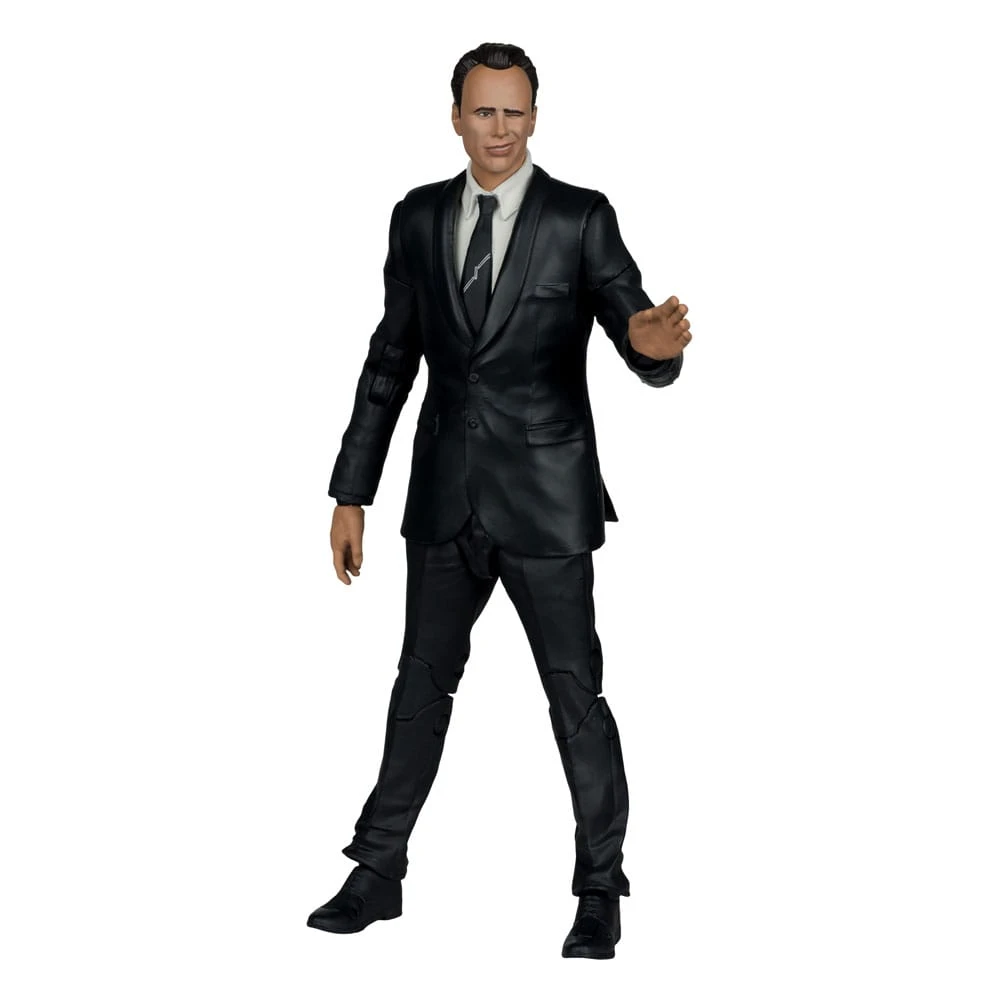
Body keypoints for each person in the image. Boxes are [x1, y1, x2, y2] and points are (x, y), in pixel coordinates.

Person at [307, 41, 692, 960]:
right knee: (418, 685)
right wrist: (352, 490)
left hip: (548, 502)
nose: (500, 129)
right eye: (484, 111)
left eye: (515, 112)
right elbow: (390, 358)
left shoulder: (579, 217)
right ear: (456, 117)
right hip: (444, 496)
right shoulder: (417, 217)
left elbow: (637, 327)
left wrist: (652, 350)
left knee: (575, 696)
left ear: (535, 117)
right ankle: (378, 871)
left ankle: (599, 889)